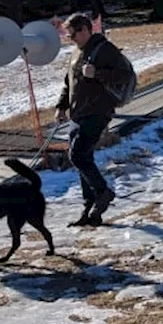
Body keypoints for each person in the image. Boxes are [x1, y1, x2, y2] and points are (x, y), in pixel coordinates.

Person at [55, 13, 123, 226]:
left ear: (84, 30)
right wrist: (61, 106)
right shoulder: (78, 51)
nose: (70, 39)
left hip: (97, 111)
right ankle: (90, 208)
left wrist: (98, 74)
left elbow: (121, 77)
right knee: (82, 158)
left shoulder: (105, 49)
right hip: (78, 113)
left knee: (78, 155)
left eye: (72, 34)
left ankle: (103, 193)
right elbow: (69, 82)